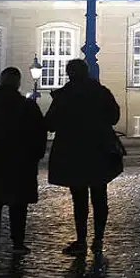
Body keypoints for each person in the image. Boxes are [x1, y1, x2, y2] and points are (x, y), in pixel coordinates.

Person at [46, 58, 121, 257]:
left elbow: (50, 123)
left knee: (79, 199)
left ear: (69, 74)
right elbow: (114, 116)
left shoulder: (64, 96)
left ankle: (81, 240)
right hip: (98, 150)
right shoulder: (101, 92)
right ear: (87, 72)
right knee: (99, 196)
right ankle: (98, 239)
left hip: (73, 152)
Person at [0, 66, 46, 254]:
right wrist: (34, 156)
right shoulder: (28, 107)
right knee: (18, 206)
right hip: (21, 165)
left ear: (0, 81)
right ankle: (18, 244)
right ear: (18, 83)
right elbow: (40, 134)